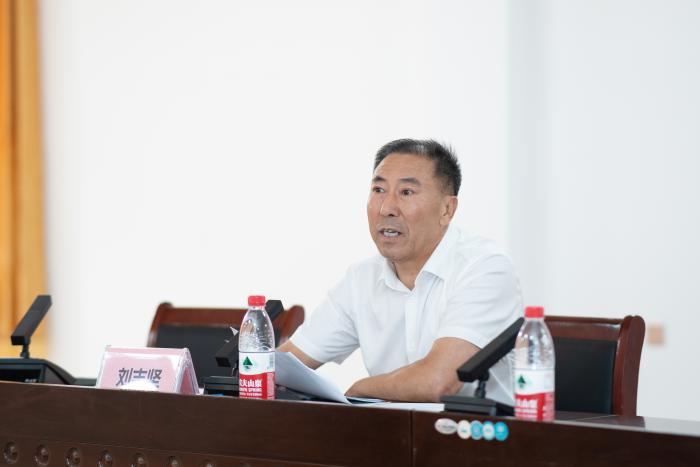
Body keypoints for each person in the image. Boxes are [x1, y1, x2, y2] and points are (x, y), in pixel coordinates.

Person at [278, 139, 522, 403]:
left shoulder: (485, 267)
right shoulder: (361, 278)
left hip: (477, 428)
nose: (386, 208)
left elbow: (438, 381)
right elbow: (284, 365)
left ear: (447, 209)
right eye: (379, 189)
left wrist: (359, 390)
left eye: (406, 192)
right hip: (390, 427)